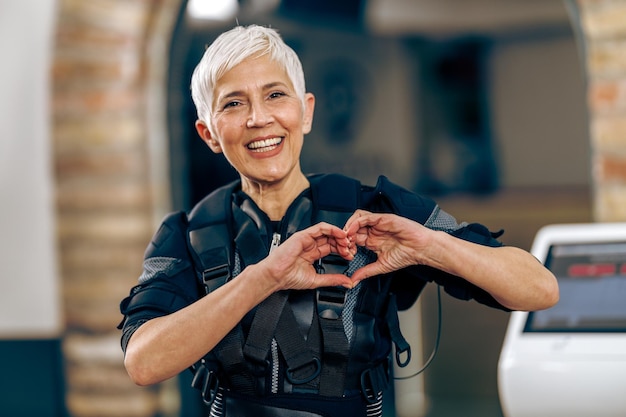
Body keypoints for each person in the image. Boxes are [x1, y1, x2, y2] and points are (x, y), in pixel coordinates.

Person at [118, 24, 558, 417]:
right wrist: (263, 278)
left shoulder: (381, 210)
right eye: (233, 103)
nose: (259, 118)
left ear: (305, 111)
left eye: (275, 95)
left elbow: (539, 289)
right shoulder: (185, 234)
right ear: (209, 133)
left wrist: (430, 245)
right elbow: (143, 361)